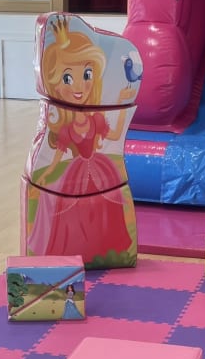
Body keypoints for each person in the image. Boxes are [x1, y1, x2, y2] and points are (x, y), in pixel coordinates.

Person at [27, 15, 133, 264]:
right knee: (71, 212)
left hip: (98, 167)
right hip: (77, 170)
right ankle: (74, 247)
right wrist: (45, 174)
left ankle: (105, 246)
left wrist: (121, 106)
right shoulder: (67, 128)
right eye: (67, 78)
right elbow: (56, 157)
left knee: (105, 207)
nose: (79, 86)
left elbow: (115, 134)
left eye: (87, 74)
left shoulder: (95, 120)